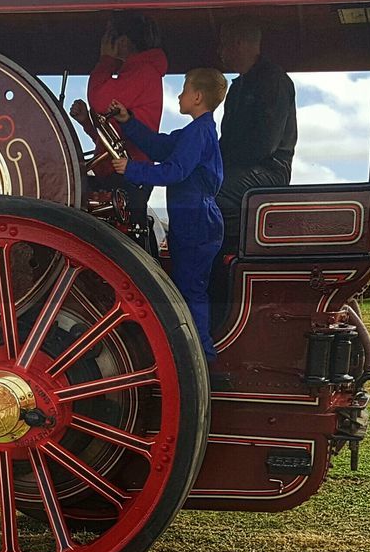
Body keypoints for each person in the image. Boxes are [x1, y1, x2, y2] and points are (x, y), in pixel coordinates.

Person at [111, 67, 228, 360]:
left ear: (197, 97)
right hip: (194, 218)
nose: (179, 95)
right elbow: (161, 146)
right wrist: (129, 122)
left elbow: (175, 171)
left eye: (185, 90)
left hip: (196, 220)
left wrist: (132, 169)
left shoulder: (197, 133)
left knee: (191, 289)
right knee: (188, 286)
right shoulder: (195, 132)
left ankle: (202, 357)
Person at [69, 13, 167, 219]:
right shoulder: (139, 73)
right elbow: (112, 136)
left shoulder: (143, 72)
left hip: (127, 176)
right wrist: (87, 122)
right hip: (120, 172)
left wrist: (106, 60)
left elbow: (100, 100)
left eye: (108, 37)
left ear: (122, 41)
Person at [214, 18, 298, 253]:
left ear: (238, 44)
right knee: (200, 183)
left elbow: (263, 146)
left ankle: (234, 251)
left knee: (214, 190)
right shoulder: (238, 87)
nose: (219, 52)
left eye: (223, 45)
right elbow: (227, 139)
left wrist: (217, 168)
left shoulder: (275, 81)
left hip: (271, 170)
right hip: (243, 167)